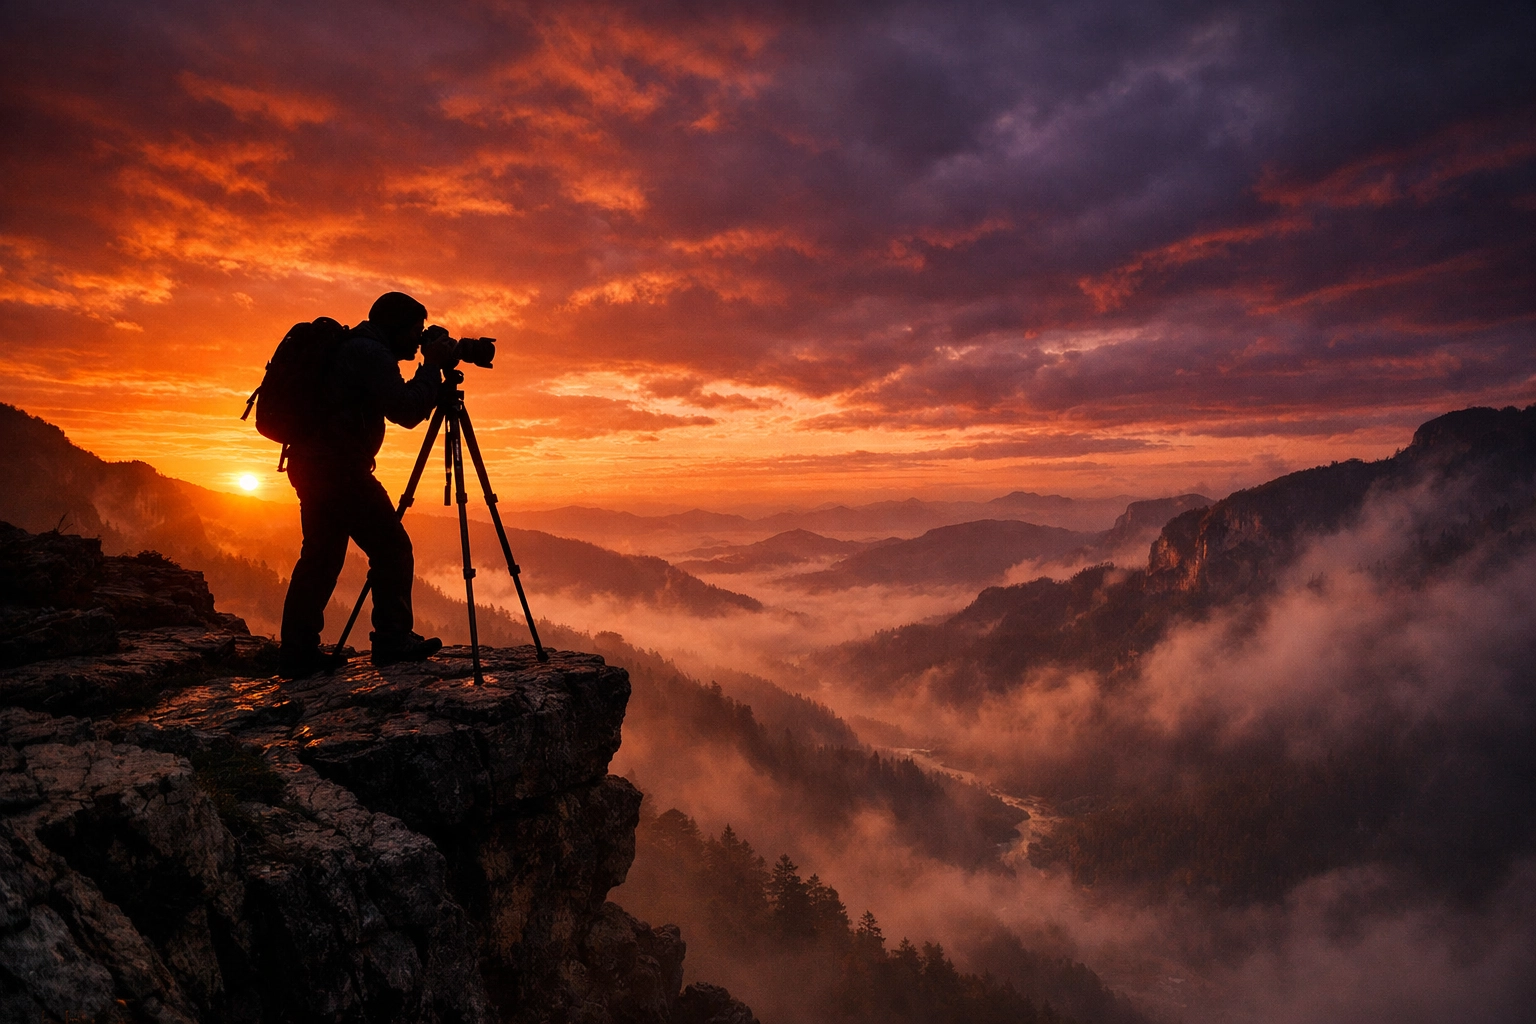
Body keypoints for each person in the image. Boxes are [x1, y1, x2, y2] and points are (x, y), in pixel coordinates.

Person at [278, 291, 456, 679]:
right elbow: (406, 410)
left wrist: (431, 376)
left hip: (312, 465)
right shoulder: (370, 352)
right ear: (395, 327)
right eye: (415, 330)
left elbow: (401, 403)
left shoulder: (357, 347)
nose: (418, 339)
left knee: (321, 557)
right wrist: (431, 367)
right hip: (339, 470)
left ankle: (297, 651)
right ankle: (392, 641)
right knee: (392, 548)